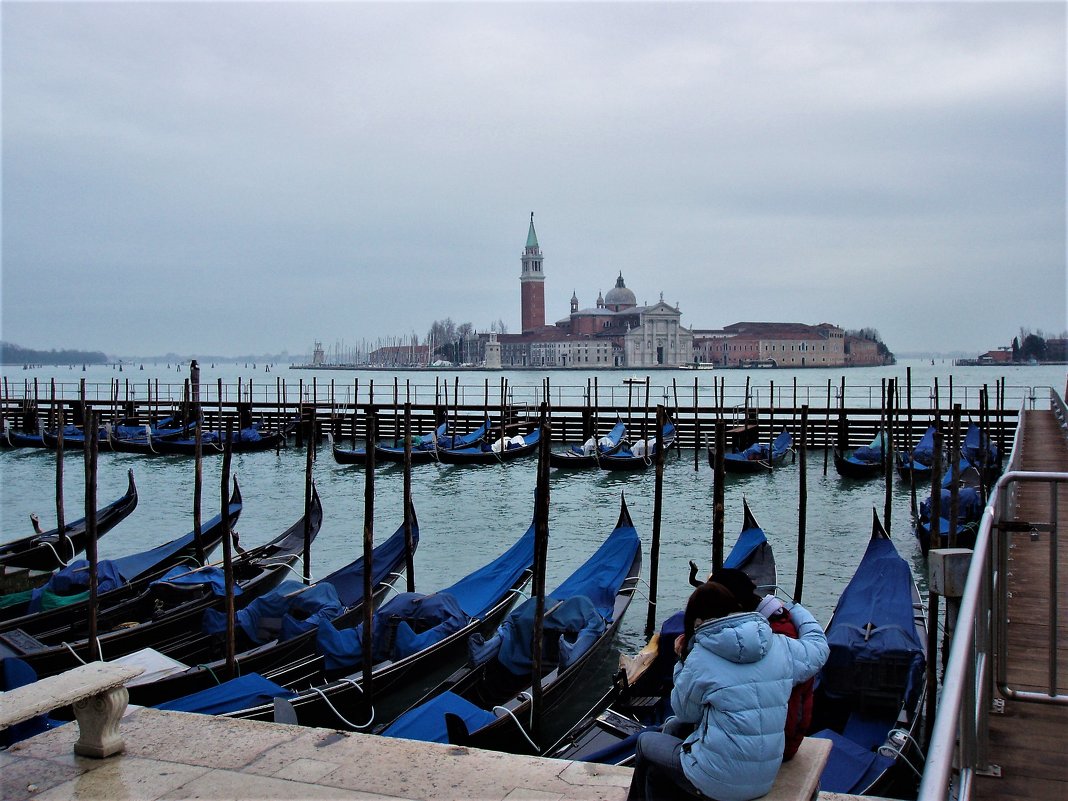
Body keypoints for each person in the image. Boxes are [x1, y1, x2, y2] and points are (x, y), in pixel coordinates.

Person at [626, 581, 829, 801]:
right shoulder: (779, 645)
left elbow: (685, 712)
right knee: (658, 770)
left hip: (719, 782)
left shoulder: (700, 657)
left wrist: (681, 660)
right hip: (763, 779)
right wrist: (795, 608)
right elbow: (818, 647)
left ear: (697, 620)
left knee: (645, 742)